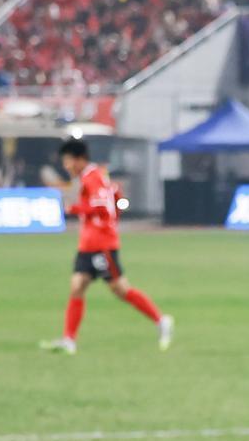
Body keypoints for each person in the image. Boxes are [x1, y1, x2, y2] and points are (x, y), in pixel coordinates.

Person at [40, 138, 172, 355]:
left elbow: (101, 206)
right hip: (88, 244)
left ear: (80, 159)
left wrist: (74, 209)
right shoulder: (95, 176)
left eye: (68, 161)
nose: (66, 166)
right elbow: (116, 198)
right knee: (77, 286)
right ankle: (69, 340)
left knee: (120, 289)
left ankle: (161, 320)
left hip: (101, 245)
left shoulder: (93, 177)